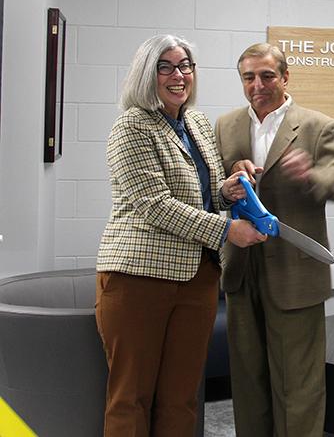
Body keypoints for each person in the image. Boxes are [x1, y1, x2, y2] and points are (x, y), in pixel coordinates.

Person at [96, 34, 264, 436]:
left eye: (185, 65)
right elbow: (154, 204)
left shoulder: (197, 123)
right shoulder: (132, 125)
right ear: (146, 73)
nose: (179, 75)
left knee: (182, 396)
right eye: (166, 66)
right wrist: (227, 228)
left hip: (198, 279)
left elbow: (202, 195)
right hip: (139, 278)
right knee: (131, 398)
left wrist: (228, 190)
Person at [215, 43, 334, 437]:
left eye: (266, 76)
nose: (257, 85)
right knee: (248, 383)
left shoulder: (317, 126)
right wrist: (228, 188)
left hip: (296, 273)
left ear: (285, 77)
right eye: (248, 77)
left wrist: (312, 175)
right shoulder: (225, 126)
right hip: (242, 270)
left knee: (299, 385)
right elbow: (211, 190)